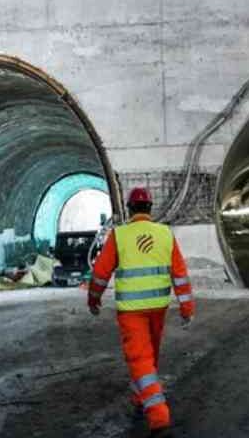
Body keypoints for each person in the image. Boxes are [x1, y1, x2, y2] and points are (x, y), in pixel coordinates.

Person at [87, 187, 194, 437]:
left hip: (131, 311)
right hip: (158, 307)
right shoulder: (165, 234)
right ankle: (140, 396)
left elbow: (101, 273)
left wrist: (93, 299)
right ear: (150, 208)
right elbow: (179, 275)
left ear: (130, 209)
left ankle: (159, 417)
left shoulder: (120, 235)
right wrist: (187, 308)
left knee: (140, 359)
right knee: (150, 356)